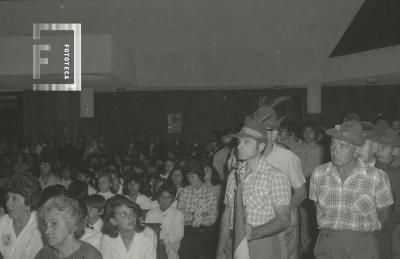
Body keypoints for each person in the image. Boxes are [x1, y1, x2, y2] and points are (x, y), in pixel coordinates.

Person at [310, 120, 394, 259]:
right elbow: (317, 208)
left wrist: (362, 238)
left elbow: (384, 216)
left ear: (357, 150)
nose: (335, 151)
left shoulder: (376, 177)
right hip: (328, 244)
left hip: (362, 246)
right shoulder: (318, 174)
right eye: (333, 145)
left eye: (343, 146)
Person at [217, 115, 292, 259]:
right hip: (232, 242)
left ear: (261, 146)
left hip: (261, 244)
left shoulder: (275, 176)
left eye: (246, 142)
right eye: (239, 142)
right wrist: (220, 249)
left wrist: (254, 232)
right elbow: (227, 213)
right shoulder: (234, 175)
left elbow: (283, 220)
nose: (239, 146)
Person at [254, 100, 307, 259]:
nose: (261, 135)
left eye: (266, 130)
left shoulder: (287, 158)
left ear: (275, 134)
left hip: (283, 226)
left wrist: (279, 213)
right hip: (256, 224)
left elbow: (301, 193)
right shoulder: (246, 157)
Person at [35, 195, 102, 259]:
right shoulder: (45, 253)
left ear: (72, 225)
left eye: (54, 223)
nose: (47, 231)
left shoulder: (89, 256)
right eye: (45, 224)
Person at [177, 160, 218, 259]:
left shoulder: (210, 194)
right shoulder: (184, 192)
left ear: (200, 176)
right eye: (188, 177)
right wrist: (199, 215)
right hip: (186, 232)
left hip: (205, 232)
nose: (190, 180)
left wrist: (191, 217)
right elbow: (179, 215)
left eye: (192, 176)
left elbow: (211, 219)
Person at [372, 127, 400, 259]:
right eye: (377, 147)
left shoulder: (396, 175)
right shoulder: (372, 168)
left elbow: (397, 213)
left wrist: (380, 228)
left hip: (388, 231)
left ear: (395, 150)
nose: (378, 151)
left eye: (383, 148)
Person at [0, 174, 43, 259]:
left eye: (14, 199)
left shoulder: (40, 230)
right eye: (7, 197)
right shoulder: (2, 222)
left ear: (28, 203)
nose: (8, 204)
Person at [146, 184, 184, 259]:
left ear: (173, 200)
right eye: (162, 197)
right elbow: (147, 232)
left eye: (168, 197)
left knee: (164, 249)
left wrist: (162, 241)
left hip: (170, 246)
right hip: (152, 244)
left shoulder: (177, 215)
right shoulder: (150, 214)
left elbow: (177, 236)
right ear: (158, 198)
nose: (164, 200)